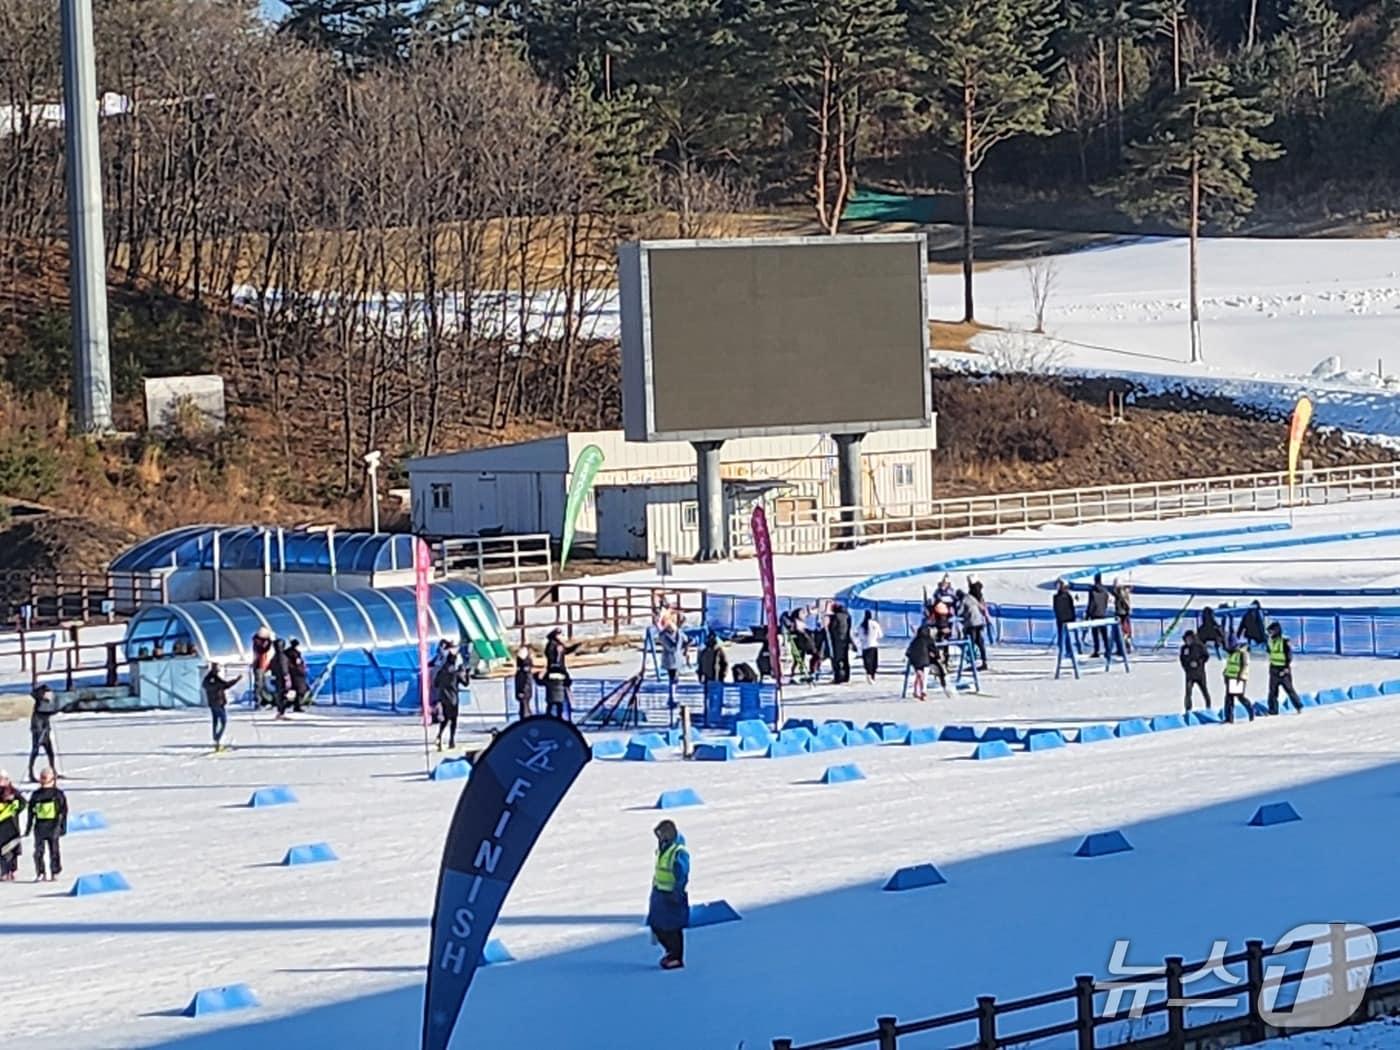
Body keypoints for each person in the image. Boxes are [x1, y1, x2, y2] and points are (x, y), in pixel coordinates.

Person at [647, 819, 690, 971]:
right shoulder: (663, 848)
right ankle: (670, 952)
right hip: (660, 894)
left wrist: (677, 891)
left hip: (672, 895)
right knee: (657, 925)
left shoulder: (678, 852)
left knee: (673, 928)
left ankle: (676, 957)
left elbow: (682, 874)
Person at [25, 767, 66, 882]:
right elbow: (30, 812)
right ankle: (41, 872)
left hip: (53, 827)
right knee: (39, 852)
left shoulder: (58, 794)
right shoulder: (36, 795)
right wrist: (28, 827)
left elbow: (63, 811)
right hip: (40, 828)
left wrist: (63, 826)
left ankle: (54, 872)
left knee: (54, 851)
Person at [1266, 622, 1303, 714]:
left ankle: (1298, 706)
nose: (1270, 633)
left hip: (1283, 669)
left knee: (1289, 689)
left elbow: (1289, 655)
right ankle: (1273, 710)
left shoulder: (1284, 641)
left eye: (1271, 631)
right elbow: (1269, 652)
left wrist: (1286, 668)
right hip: (1273, 668)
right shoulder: (1271, 641)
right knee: (1272, 692)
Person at [202, 663, 240, 752]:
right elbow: (225, 685)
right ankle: (217, 739)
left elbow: (205, 685)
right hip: (219, 703)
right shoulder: (215, 679)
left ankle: (216, 740)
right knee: (223, 721)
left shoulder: (207, 679)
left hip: (212, 703)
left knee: (215, 721)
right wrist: (236, 680)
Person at [29, 684, 59, 783]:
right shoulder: (39, 701)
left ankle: (53, 771)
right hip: (38, 729)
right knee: (35, 751)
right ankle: (31, 773)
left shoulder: (45, 702)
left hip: (45, 728)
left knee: (50, 752)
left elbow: (51, 710)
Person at [434, 651, 462, 751]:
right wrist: (466, 673)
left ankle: (440, 735)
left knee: (444, 719)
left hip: (443, 699)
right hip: (453, 699)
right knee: (453, 720)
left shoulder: (441, 672)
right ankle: (451, 740)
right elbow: (465, 683)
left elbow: (435, 684)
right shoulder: (455, 673)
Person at [1179, 629, 1212, 713]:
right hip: (1189, 674)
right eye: (1187, 639)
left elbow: (1206, 656)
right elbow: (1182, 659)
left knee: (1204, 690)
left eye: (1190, 638)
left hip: (1200, 673)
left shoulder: (1200, 646)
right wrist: (1187, 667)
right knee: (1188, 693)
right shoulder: (1184, 648)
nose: (1188, 640)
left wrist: (1198, 663)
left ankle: (1208, 707)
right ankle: (1188, 710)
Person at [0, 770, 25, 881]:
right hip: (1, 828)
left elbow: (23, 803)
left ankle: (13, 870)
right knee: (2, 851)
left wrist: (13, 803)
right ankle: (4, 872)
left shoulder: (14, 792)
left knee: (13, 850)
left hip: (12, 826)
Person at [1223, 639, 1254, 724]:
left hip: (1238, 678)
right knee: (1229, 698)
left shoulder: (1242, 653)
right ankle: (1229, 718)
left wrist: (1240, 677)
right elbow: (1229, 665)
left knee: (1240, 697)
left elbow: (1244, 666)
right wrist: (1225, 673)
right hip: (1230, 677)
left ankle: (1251, 712)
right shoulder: (1231, 654)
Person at [960, 589, 989, 671]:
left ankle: (973, 662)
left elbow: (959, 611)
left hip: (971, 624)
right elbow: (981, 607)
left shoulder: (964, 600)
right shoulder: (972, 598)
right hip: (979, 623)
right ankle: (984, 661)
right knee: (980, 643)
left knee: (970, 644)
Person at [827, 602, 853, 685]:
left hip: (837, 640)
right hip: (845, 639)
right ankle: (846, 677)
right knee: (845, 659)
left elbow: (832, 628)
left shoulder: (836, 617)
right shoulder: (847, 616)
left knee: (837, 659)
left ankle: (838, 677)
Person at [905, 624, 934, 701]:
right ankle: (923, 691)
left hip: (916, 660)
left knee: (919, 675)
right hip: (924, 660)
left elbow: (908, 652)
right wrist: (935, 655)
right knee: (921, 675)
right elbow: (934, 649)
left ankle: (916, 691)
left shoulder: (915, 640)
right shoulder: (928, 639)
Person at [854, 610, 883, 683]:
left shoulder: (862, 625)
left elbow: (860, 636)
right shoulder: (875, 624)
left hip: (865, 646)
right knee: (874, 662)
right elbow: (880, 635)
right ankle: (873, 676)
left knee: (867, 662)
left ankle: (868, 674)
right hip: (874, 645)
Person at [1086, 574, 1111, 658]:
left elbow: (1091, 604)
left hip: (1094, 615)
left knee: (1095, 634)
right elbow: (1106, 601)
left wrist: (1088, 614)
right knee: (1104, 634)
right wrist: (1104, 609)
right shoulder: (1105, 591)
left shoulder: (1092, 591)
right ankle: (1108, 650)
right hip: (1102, 614)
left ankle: (1097, 650)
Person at [269, 638, 294, 718]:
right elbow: (284, 668)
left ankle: (280, 711)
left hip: (277, 678)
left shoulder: (275, 656)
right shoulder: (282, 657)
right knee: (283, 695)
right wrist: (286, 677)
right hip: (282, 678)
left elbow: (272, 667)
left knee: (280, 695)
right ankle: (282, 712)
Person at [250, 626, 274, 707]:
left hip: (263, 666)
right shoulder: (258, 642)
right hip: (259, 666)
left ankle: (265, 700)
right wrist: (269, 641)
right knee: (259, 684)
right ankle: (258, 701)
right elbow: (263, 649)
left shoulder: (261, 641)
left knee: (263, 684)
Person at [1052, 580, 1077, 657]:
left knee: (1063, 636)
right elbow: (1071, 608)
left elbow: (1057, 608)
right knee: (1066, 637)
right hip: (1067, 619)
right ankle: (1066, 651)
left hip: (1063, 619)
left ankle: (1064, 651)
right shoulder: (1066, 596)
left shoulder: (1059, 597)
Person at [285, 639, 310, 709]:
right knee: (301, 689)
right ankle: (296, 705)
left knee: (294, 689)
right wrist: (303, 669)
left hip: (290, 672)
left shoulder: (286, 652)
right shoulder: (296, 653)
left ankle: (290, 703)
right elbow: (298, 662)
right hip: (297, 673)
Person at [514, 648, 535, 720]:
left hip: (525, 691)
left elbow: (524, 681)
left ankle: (525, 719)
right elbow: (524, 681)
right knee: (524, 707)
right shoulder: (524, 672)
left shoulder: (523, 672)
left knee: (524, 708)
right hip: (525, 691)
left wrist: (521, 690)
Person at [1112, 580, 1133, 653]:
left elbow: (1125, 602)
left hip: (1121, 613)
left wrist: (1128, 608)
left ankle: (1124, 647)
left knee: (1123, 631)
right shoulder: (1122, 592)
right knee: (1125, 631)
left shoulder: (1120, 592)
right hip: (1123, 613)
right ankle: (1124, 647)